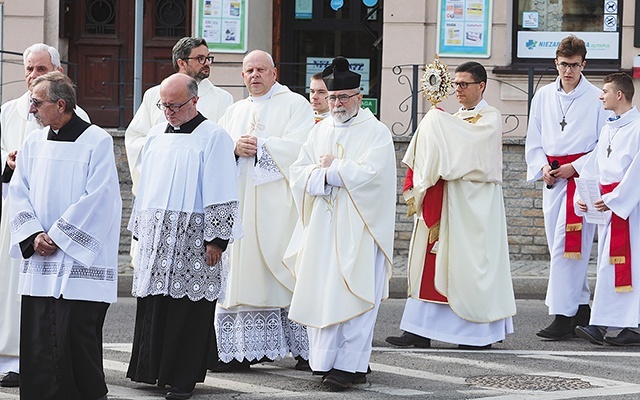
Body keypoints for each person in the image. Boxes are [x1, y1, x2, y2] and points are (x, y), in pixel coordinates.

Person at [385, 61, 516, 350]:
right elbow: (438, 148)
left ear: (481, 86)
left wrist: (436, 121)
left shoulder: (490, 118)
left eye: (464, 84)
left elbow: (469, 150)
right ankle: (418, 330)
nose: (458, 89)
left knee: (468, 268)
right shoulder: (453, 118)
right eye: (455, 84)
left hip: (473, 207)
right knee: (429, 262)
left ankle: (475, 335)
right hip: (444, 200)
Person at [126, 73, 240, 400]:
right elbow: (144, 187)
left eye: (175, 106)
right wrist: (141, 231)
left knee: (189, 308)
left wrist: (217, 240)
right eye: (164, 105)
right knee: (156, 302)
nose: (169, 112)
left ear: (195, 101)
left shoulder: (214, 136)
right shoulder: (156, 135)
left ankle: (182, 378)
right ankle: (152, 369)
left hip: (194, 239)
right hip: (159, 235)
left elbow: (222, 189)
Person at [8, 71, 120, 400]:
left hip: (77, 260)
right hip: (41, 256)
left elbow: (100, 197)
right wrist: (33, 235)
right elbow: (19, 191)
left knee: (76, 333)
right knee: (40, 333)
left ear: (60, 105)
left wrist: (56, 236)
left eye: (36, 102)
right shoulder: (32, 142)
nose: (30, 109)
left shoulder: (96, 141)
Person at [287, 56, 396, 391]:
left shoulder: (376, 132)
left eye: (343, 98)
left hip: (360, 231)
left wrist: (335, 168)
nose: (336, 104)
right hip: (322, 231)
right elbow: (297, 171)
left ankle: (349, 366)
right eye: (332, 98)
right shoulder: (319, 131)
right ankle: (327, 361)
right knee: (324, 293)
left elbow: (374, 176)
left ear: (358, 97)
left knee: (354, 293)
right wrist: (323, 174)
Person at [214, 49, 314, 371]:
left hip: (277, 209)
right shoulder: (234, 110)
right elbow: (216, 149)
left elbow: (302, 148)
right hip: (241, 204)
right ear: (242, 77)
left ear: (274, 72)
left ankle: (303, 349)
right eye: (248, 71)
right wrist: (232, 148)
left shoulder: (295, 104)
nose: (254, 75)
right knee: (242, 275)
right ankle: (244, 349)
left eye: (260, 69)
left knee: (284, 274)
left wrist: (262, 147)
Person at [0, 43, 90, 388]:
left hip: (54, 216)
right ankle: (11, 355)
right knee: (11, 285)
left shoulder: (77, 119)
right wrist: (8, 163)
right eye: (29, 70)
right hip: (17, 211)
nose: (33, 76)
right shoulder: (9, 111)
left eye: (41, 69)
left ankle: (42, 357)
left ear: (58, 71)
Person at [525, 35, 608, 340]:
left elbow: (605, 144)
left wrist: (578, 166)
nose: (568, 71)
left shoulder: (597, 98)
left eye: (574, 65)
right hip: (554, 178)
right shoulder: (544, 96)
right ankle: (581, 306)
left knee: (567, 249)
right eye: (563, 65)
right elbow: (533, 139)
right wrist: (542, 166)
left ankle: (562, 315)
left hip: (581, 180)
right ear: (555, 63)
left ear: (584, 64)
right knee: (557, 247)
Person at [573, 73, 640, 346]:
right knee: (611, 266)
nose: (601, 96)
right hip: (609, 207)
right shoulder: (609, 128)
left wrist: (614, 198)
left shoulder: (638, 128)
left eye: (605, 91)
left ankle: (602, 325)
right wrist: (582, 194)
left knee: (622, 266)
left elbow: (636, 173)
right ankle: (627, 326)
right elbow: (594, 167)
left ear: (619, 95)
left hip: (630, 211)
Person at [125, 36, 233, 196]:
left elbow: (226, 142)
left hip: (198, 187)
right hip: (161, 184)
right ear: (181, 63)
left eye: (208, 58)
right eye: (200, 58)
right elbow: (135, 137)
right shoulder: (154, 95)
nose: (207, 63)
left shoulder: (222, 98)